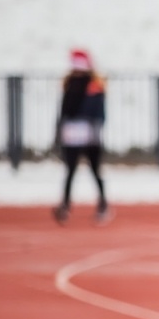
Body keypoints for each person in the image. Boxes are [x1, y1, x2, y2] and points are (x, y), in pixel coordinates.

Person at [53, 49, 110, 225]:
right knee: (70, 170)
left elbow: (98, 110)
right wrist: (58, 131)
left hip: (89, 132)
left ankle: (102, 204)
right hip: (71, 132)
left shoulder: (94, 84)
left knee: (94, 170)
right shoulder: (69, 83)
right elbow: (63, 111)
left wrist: (95, 127)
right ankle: (65, 205)